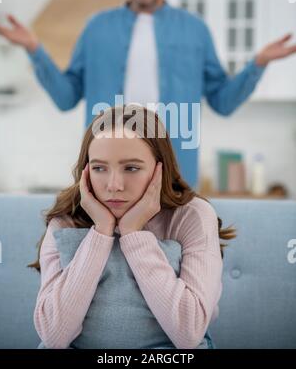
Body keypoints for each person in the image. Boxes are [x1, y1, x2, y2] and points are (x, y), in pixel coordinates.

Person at [0, 0, 295, 189]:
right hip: (106, 177)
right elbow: (65, 98)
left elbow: (223, 102)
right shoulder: (96, 27)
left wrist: (258, 63)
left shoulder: (195, 30)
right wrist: (34, 49)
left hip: (174, 173)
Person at [28, 104, 236, 350]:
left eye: (132, 168)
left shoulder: (192, 216)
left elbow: (188, 334)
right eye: (99, 168)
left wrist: (133, 234)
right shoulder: (65, 219)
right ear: (86, 171)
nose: (114, 185)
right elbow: (53, 336)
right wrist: (101, 232)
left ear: (160, 169)